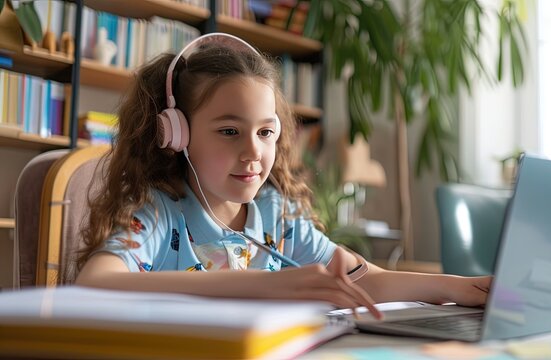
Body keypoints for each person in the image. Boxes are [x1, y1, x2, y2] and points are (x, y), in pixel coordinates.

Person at [75, 33, 491, 319]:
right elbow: (95, 285)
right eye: (229, 131)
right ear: (176, 135)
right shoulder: (159, 213)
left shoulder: (277, 215)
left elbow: (364, 279)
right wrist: (267, 285)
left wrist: (457, 288)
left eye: (266, 132)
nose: (254, 151)